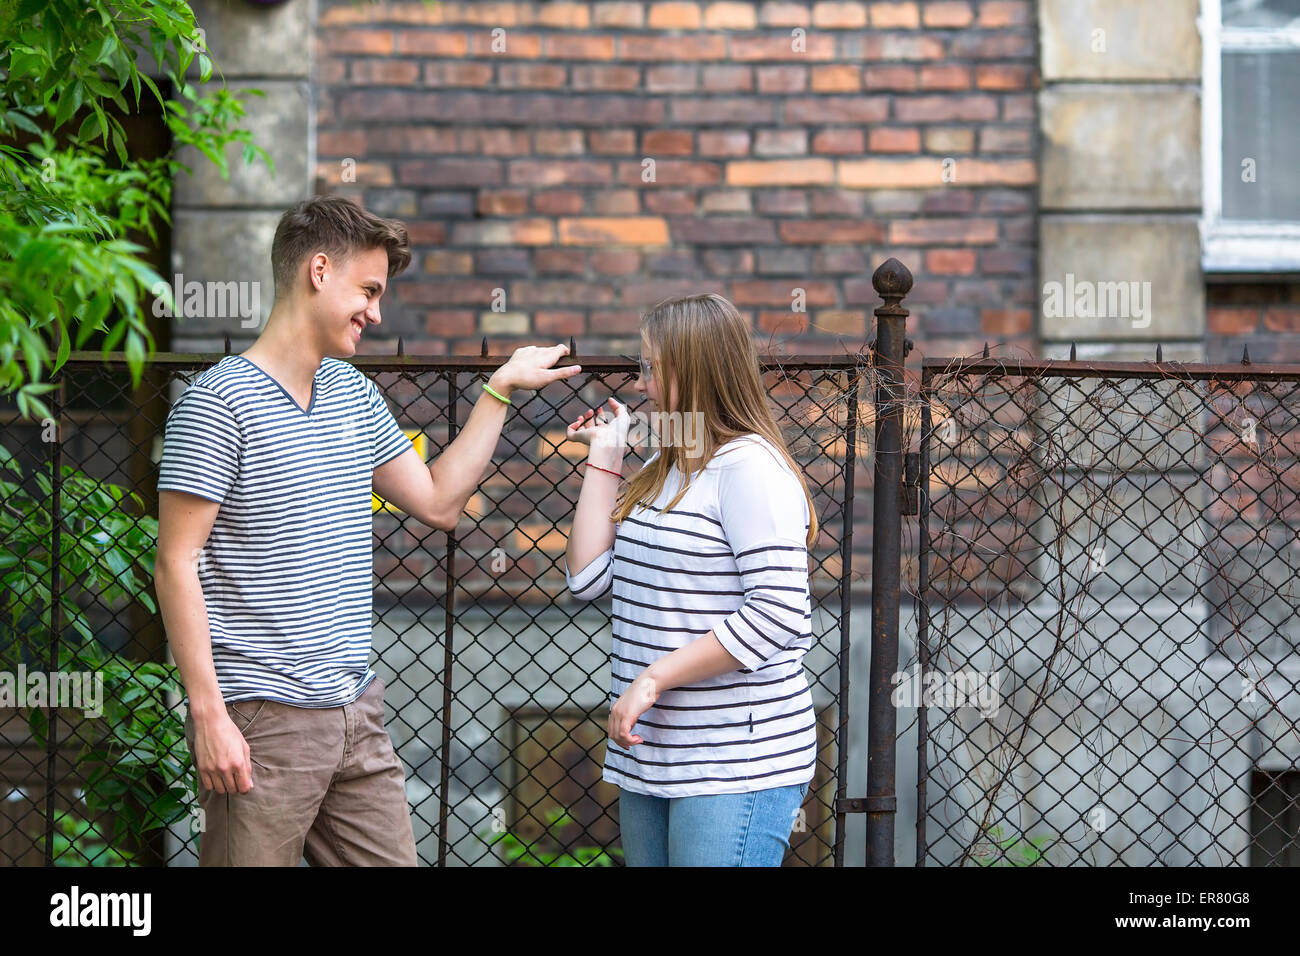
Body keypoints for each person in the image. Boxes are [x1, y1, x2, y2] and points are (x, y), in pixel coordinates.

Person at [153, 195, 580, 866]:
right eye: (369, 290)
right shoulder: (217, 403)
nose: (376, 313)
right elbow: (176, 563)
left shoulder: (352, 394)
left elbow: (438, 502)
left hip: (357, 711)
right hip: (263, 720)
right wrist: (209, 716)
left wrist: (498, 391)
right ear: (319, 270)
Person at [562, 292, 819, 866]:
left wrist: (654, 679)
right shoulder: (668, 463)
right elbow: (587, 578)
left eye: (652, 367)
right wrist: (606, 455)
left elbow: (778, 615)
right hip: (651, 757)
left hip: (736, 763)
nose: (641, 384)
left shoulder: (750, 468)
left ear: (696, 370)